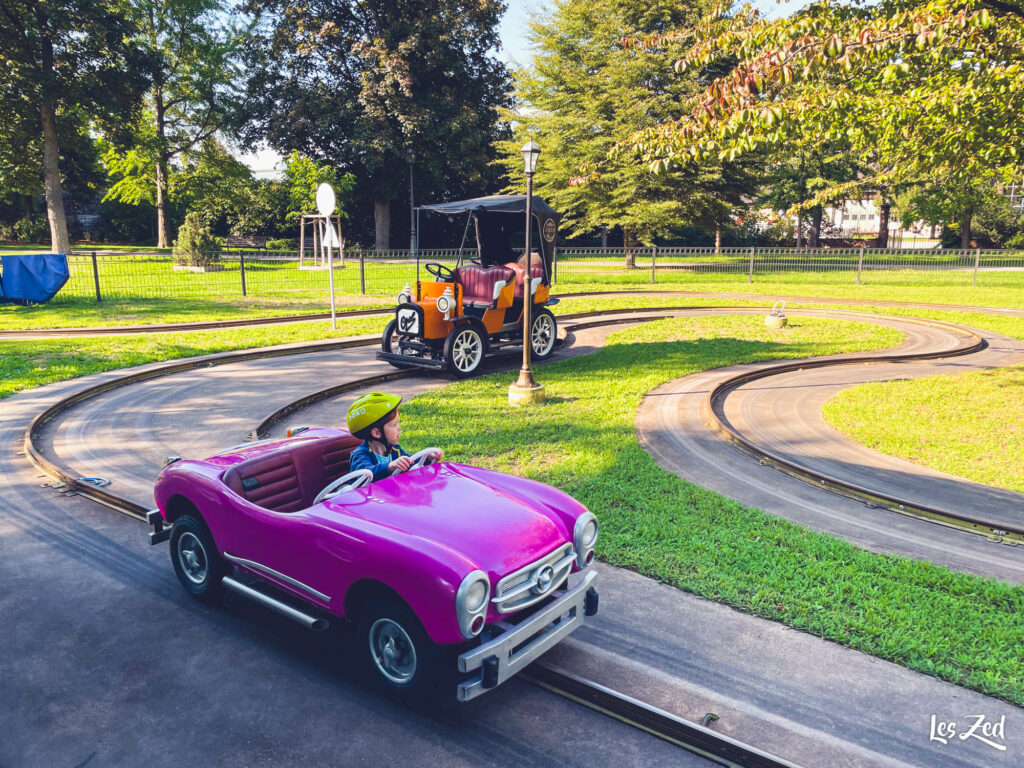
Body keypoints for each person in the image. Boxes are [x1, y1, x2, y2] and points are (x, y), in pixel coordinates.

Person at [346, 392, 442, 481]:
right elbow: (365, 474)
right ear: (377, 433)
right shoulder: (360, 455)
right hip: (365, 497)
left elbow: (411, 461)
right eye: (394, 424)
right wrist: (390, 466)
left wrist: (427, 458)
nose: (399, 428)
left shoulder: (395, 450)